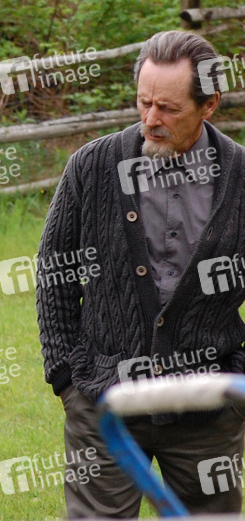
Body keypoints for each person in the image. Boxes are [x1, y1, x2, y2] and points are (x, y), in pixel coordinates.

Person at [37, 30, 245, 518]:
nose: (151, 119)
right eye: (144, 102)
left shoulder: (241, 177)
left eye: (168, 108)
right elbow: (54, 271)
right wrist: (67, 378)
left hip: (208, 412)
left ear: (209, 105)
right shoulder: (92, 166)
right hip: (102, 399)